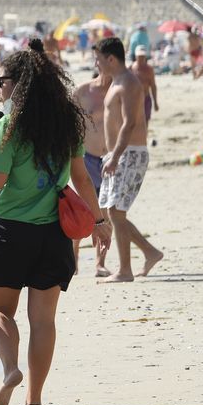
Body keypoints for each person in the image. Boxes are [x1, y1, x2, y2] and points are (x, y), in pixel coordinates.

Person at [0, 51, 110, 405]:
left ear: (18, 84)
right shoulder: (68, 121)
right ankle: (34, 401)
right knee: (43, 320)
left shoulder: (11, 125)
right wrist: (100, 222)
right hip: (55, 234)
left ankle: (10, 369)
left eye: (2, 82)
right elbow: (82, 179)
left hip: (12, 232)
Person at [94, 37, 163, 283]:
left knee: (115, 211)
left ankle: (125, 270)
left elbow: (129, 123)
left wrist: (116, 155)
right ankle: (150, 252)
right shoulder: (115, 82)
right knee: (114, 212)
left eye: (99, 59)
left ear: (111, 59)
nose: (96, 64)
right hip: (118, 154)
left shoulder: (129, 83)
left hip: (130, 153)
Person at [73, 69, 113, 277]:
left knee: (106, 213)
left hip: (110, 158)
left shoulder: (120, 90)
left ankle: (100, 263)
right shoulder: (83, 92)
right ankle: (74, 260)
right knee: (81, 211)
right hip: (87, 156)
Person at [130, 46, 159, 123]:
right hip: (134, 100)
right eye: (139, 56)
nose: (141, 58)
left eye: (143, 56)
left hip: (146, 98)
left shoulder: (149, 70)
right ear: (136, 56)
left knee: (145, 121)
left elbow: (153, 86)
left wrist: (155, 102)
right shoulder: (131, 68)